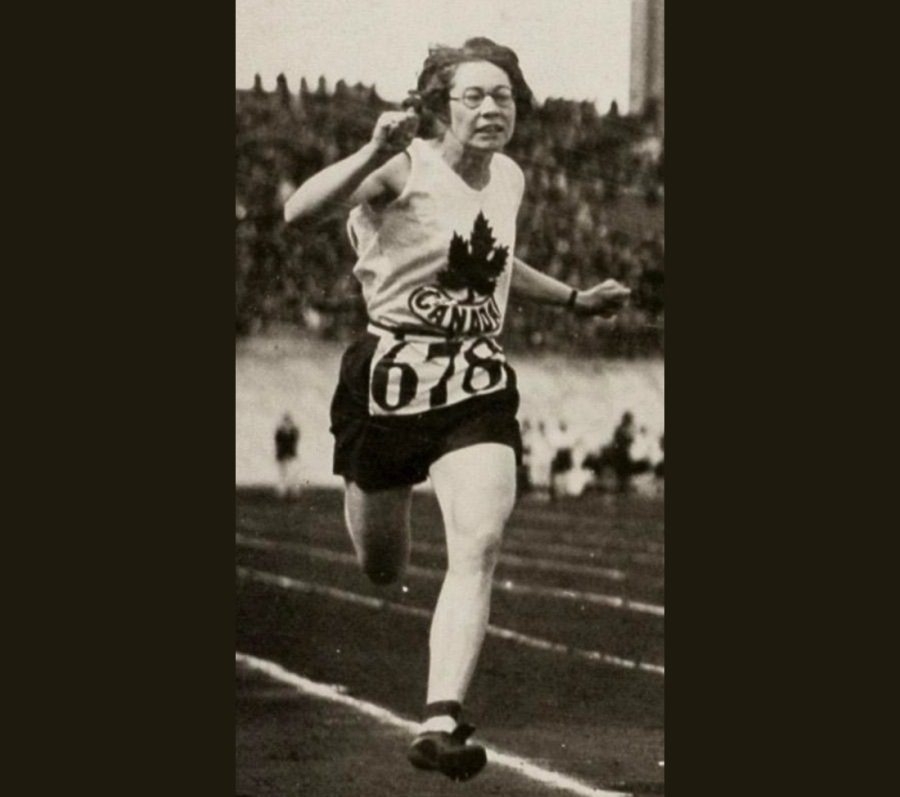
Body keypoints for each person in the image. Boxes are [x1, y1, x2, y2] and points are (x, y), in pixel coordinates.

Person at [283, 37, 630, 782]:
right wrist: (371, 147)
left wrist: (572, 297)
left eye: (503, 95)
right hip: (388, 377)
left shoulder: (508, 176)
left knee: (479, 540)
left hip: (475, 381)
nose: (491, 108)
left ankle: (441, 717)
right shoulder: (403, 166)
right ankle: (375, 505)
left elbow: (496, 261)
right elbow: (296, 213)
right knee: (384, 564)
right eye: (473, 95)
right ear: (440, 104)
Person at [274, 413, 301, 498]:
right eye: (286, 421)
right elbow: (278, 443)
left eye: (288, 422)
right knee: (283, 474)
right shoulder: (280, 432)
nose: (287, 424)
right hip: (283, 456)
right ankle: (283, 492)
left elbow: (294, 441)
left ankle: (293, 492)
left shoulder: (293, 432)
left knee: (293, 474)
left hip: (291, 455)